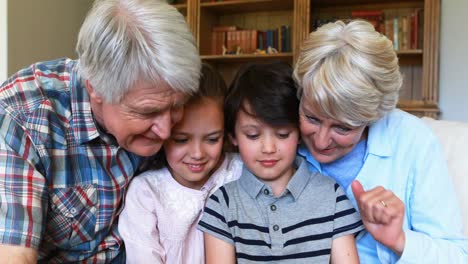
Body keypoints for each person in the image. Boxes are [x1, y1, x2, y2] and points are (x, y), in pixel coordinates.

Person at [0, 0, 201, 262]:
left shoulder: (184, 105)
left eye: (177, 106)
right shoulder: (22, 116)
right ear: (95, 89)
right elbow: (14, 254)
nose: (165, 131)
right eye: (147, 112)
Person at [293, 20, 468, 263]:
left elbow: (457, 256)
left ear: (373, 116)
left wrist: (398, 240)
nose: (321, 142)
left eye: (343, 127)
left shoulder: (413, 139)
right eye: (312, 118)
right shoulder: (279, 131)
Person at [198, 62, 364, 263]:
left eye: (283, 134)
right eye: (252, 135)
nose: (268, 148)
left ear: (299, 132)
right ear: (233, 136)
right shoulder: (223, 204)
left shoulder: (332, 196)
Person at [118, 63, 243, 264]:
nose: (197, 154)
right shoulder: (146, 192)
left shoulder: (240, 172)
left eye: (212, 139)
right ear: (163, 134)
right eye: (181, 140)